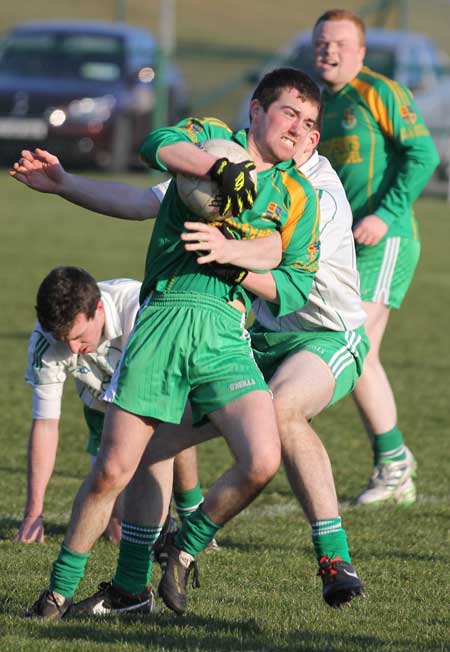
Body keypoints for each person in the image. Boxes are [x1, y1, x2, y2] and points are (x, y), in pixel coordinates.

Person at [12, 79, 367, 610]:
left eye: (311, 123)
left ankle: (261, 549)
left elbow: (288, 268)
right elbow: (153, 153)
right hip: (184, 323)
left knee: (270, 438)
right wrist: (69, 183)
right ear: (256, 110)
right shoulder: (211, 141)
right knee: (128, 461)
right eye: (289, 114)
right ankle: (107, 590)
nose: (300, 129)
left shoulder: (306, 191)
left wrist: (229, 254)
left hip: (288, 329)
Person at [312, 9, 439, 505]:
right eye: (322, 42)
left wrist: (385, 215)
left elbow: (423, 154)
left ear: (361, 52)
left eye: (340, 43)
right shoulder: (319, 101)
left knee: (352, 342)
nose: (330, 50)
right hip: (343, 245)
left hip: (385, 241)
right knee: (362, 356)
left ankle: (394, 463)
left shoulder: (379, 91)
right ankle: (393, 463)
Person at [17, 267, 210, 546]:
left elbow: (159, 404)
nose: (72, 349)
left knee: (168, 429)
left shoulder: (143, 308)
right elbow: (45, 425)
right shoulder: (47, 339)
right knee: (116, 527)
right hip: (99, 404)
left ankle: (191, 511)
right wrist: (33, 513)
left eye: (80, 336)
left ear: (97, 308)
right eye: (63, 339)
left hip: (156, 392)